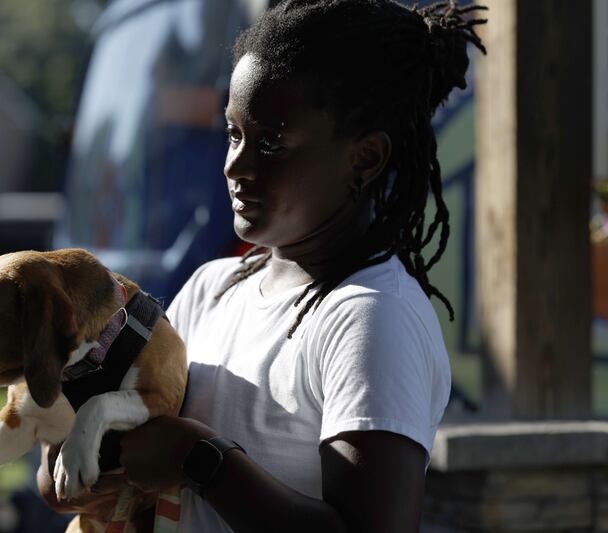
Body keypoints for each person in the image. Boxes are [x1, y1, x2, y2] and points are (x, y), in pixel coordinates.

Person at [51, 0, 487, 531]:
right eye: (233, 134)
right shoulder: (213, 288)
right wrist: (80, 453)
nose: (236, 165)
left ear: (365, 158)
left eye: (271, 143)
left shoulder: (370, 318)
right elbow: (105, 456)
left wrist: (200, 459)